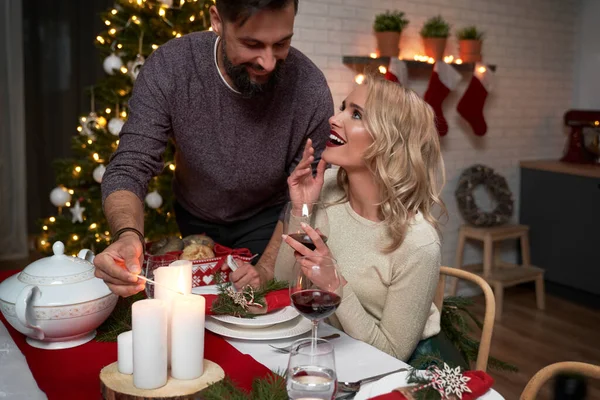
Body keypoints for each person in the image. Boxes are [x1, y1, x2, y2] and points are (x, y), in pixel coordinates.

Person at [93, 0, 333, 297]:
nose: (268, 62)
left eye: (282, 43)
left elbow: (303, 196)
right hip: (194, 218)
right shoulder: (172, 66)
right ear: (217, 20)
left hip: (270, 223)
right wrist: (128, 235)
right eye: (251, 43)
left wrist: (268, 267)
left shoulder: (310, 88)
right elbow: (130, 166)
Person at [274, 76, 447, 361]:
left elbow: (392, 354)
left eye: (355, 114)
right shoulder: (326, 189)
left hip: (394, 371)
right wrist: (301, 208)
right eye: (343, 107)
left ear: (390, 142)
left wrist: (334, 284)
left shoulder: (418, 243)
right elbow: (282, 286)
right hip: (331, 350)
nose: (333, 118)